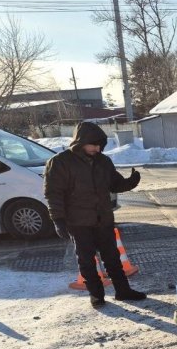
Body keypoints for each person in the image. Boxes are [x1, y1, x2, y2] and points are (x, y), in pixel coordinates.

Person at [44, 121, 146, 308]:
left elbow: (115, 184)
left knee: (113, 258)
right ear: (81, 141)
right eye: (94, 144)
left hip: (103, 219)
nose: (97, 148)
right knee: (86, 260)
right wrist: (58, 219)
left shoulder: (103, 161)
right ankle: (96, 295)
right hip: (78, 222)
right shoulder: (60, 162)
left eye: (100, 145)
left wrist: (130, 182)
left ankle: (123, 291)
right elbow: (53, 194)